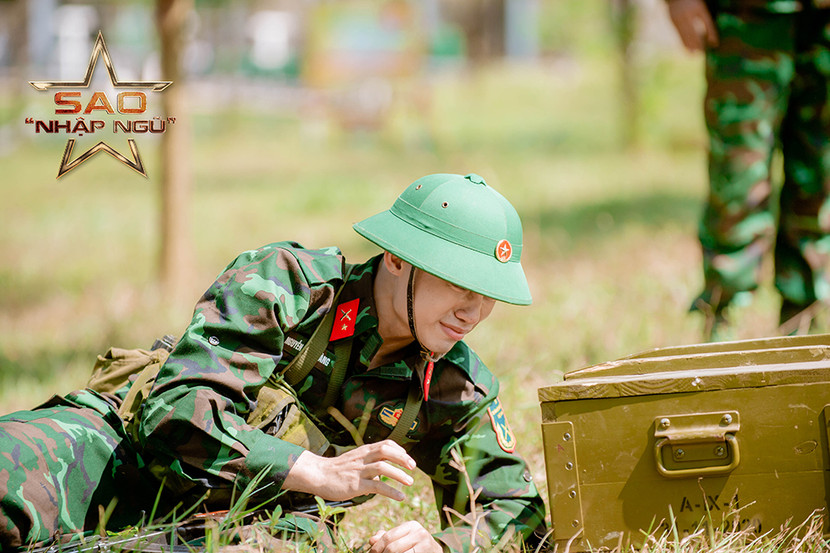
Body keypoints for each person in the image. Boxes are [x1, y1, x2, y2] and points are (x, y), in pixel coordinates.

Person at [0, 173, 548, 552]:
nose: (473, 311)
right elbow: (176, 413)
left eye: (489, 295)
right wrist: (317, 471)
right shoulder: (289, 285)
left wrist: (443, 545)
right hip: (117, 454)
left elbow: (519, 515)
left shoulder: (455, 386)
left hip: (258, 527)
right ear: (398, 259)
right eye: (459, 284)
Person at [667, 0, 830, 340]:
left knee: (822, 179)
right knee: (737, 183)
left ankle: (807, 328)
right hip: (745, 16)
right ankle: (723, 323)